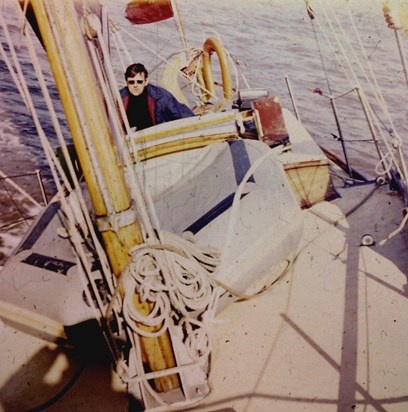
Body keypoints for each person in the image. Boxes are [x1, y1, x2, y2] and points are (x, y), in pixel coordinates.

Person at [120, 63, 194, 130]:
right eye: (131, 82)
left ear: (146, 81)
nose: (135, 85)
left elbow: (184, 116)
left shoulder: (162, 97)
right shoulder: (119, 99)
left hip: (159, 136)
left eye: (139, 82)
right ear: (126, 83)